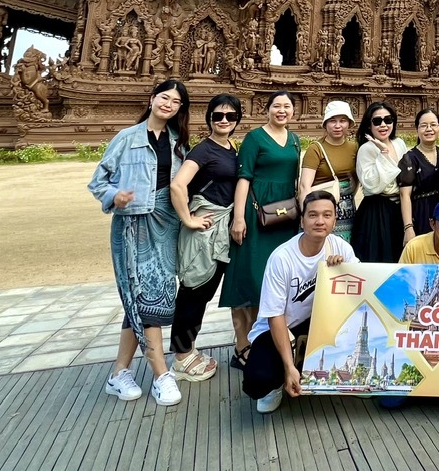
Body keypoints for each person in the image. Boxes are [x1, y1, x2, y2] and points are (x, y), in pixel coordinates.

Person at [87, 79, 191, 406]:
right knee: (146, 294)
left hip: (167, 223)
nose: (168, 104)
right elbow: (98, 181)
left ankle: (119, 372)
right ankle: (161, 374)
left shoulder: (178, 144)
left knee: (144, 296)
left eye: (175, 101)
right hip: (133, 223)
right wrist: (113, 196)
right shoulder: (127, 138)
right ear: (152, 99)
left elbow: (183, 187)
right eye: (164, 97)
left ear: (179, 109)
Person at [242, 190, 355, 414]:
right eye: (312, 215)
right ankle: (279, 382)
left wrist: (344, 271)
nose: (320, 221)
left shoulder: (341, 248)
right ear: (302, 220)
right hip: (281, 326)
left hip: (319, 322)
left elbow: (360, 293)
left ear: (335, 220)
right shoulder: (282, 258)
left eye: (327, 215)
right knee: (257, 380)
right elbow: (275, 316)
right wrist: (288, 366)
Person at [221, 90, 300, 371]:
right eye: (277, 106)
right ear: (267, 109)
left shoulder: (294, 139)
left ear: (293, 111)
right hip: (256, 214)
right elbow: (244, 179)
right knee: (249, 276)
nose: (282, 110)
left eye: (287, 106)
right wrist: (238, 218)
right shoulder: (255, 138)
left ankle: (265, 341)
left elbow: (295, 179)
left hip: (284, 216)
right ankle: (242, 344)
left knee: (274, 280)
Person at [168, 93, 243, 383]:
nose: (224, 121)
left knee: (205, 291)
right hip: (205, 230)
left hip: (222, 229)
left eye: (230, 116)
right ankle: (182, 357)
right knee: (193, 290)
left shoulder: (230, 148)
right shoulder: (203, 150)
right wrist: (189, 219)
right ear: (209, 118)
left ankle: (188, 349)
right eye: (218, 116)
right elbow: (178, 185)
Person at [352, 100, 407, 262]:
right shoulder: (366, 149)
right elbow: (372, 184)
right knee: (379, 259)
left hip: (400, 208)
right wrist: (383, 152)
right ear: (369, 125)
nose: (383, 125)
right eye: (377, 121)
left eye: (388, 120)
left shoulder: (399, 144)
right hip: (377, 211)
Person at [297, 100, 358, 243]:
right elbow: (304, 186)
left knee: (343, 252)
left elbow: (355, 180)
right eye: (332, 121)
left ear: (349, 123)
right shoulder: (315, 148)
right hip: (321, 209)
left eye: (342, 121)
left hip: (347, 210)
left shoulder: (354, 148)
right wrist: (307, 214)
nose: (337, 126)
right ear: (325, 124)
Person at [399, 109, 439, 247]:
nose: (429, 129)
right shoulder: (409, 158)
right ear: (417, 129)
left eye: (433, 125)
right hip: (420, 213)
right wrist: (408, 228)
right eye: (424, 125)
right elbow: (404, 195)